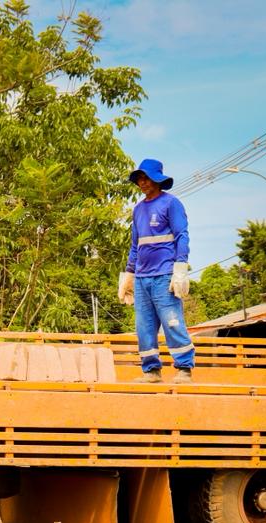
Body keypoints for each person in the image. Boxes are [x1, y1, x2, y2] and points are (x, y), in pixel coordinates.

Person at [118, 158, 194, 383]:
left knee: (172, 321)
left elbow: (182, 235)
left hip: (164, 274)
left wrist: (180, 267)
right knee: (144, 326)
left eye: (146, 178)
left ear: (157, 180)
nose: (142, 182)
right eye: (139, 178)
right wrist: (129, 274)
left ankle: (183, 368)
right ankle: (151, 370)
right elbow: (135, 245)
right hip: (142, 277)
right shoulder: (138, 209)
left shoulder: (171, 204)